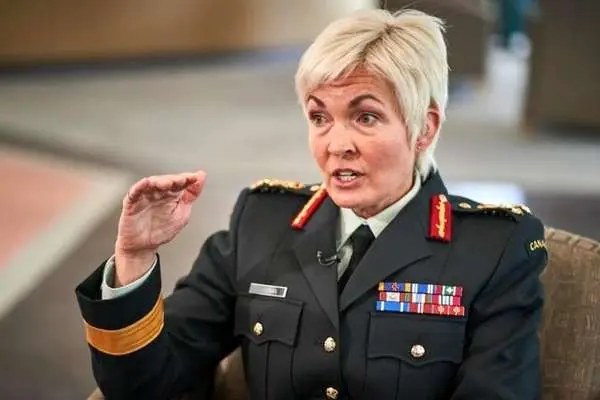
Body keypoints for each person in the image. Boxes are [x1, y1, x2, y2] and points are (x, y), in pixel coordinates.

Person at [75, 8, 548, 400]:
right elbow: (146, 386)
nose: (336, 144)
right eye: (320, 117)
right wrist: (134, 259)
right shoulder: (262, 221)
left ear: (424, 128)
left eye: (366, 117)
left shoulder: (494, 248)